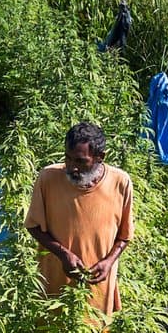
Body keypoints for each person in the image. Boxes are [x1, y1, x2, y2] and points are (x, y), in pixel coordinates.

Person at [24, 121, 134, 316]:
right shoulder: (48, 179)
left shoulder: (120, 183)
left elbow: (124, 236)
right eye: (68, 158)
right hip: (55, 282)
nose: (72, 167)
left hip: (98, 283)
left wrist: (108, 262)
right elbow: (33, 226)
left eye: (81, 161)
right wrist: (63, 254)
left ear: (100, 158)